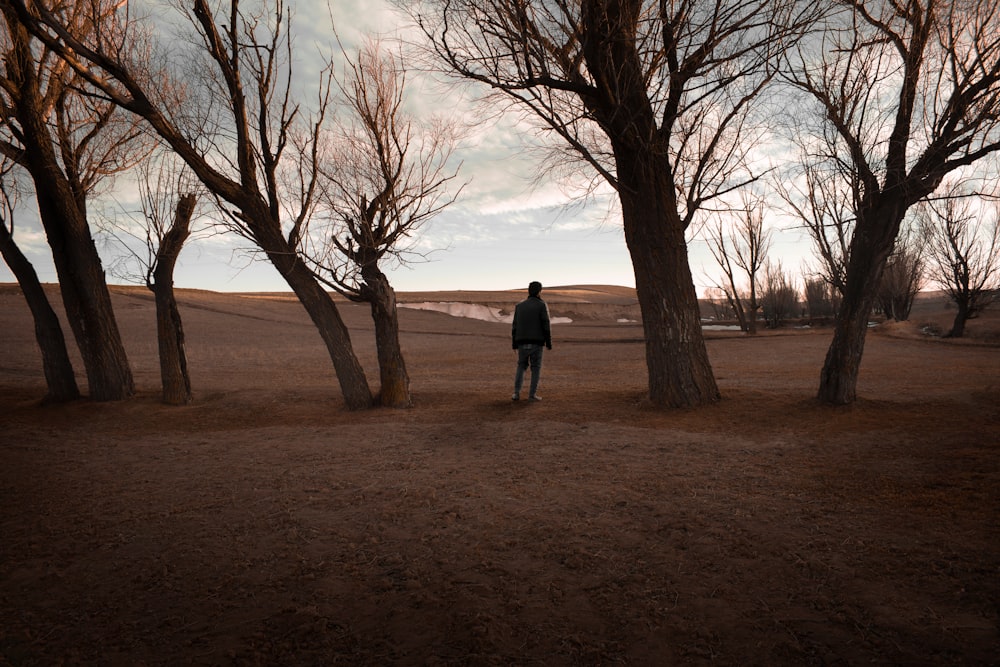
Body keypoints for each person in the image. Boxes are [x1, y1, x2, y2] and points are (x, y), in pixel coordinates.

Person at [511, 281, 552, 401]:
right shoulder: (541, 305)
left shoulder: (519, 306)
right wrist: (548, 342)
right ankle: (532, 395)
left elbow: (515, 326)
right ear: (539, 291)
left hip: (521, 342)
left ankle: (516, 393)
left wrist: (514, 343)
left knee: (521, 367)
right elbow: (546, 324)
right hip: (536, 342)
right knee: (535, 368)